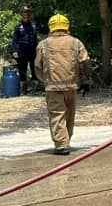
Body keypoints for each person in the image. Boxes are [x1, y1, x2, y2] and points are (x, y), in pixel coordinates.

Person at [34, 13, 91, 155]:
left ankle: (61, 145)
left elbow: (37, 66)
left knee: (57, 115)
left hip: (53, 88)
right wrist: (86, 81)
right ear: (66, 26)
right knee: (69, 115)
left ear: (51, 27)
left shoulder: (43, 44)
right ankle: (66, 140)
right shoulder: (75, 42)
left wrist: (45, 80)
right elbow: (85, 62)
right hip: (71, 87)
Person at [11, 5, 42, 94]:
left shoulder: (34, 24)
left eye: (28, 11)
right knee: (22, 69)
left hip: (33, 50)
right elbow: (14, 40)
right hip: (22, 51)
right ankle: (23, 89)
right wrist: (14, 51)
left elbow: (44, 30)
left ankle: (35, 87)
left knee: (34, 68)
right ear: (21, 14)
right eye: (25, 12)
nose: (27, 13)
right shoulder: (18, 26)